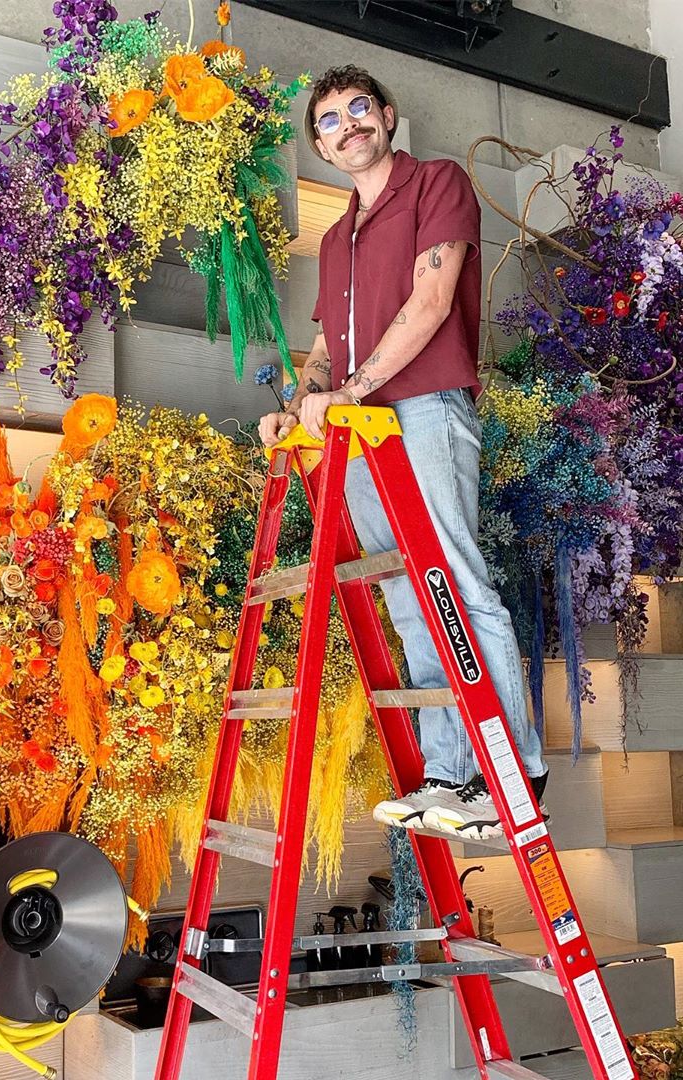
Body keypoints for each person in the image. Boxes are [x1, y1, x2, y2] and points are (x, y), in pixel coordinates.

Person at [259, 65, 548, 841]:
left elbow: (431, 302)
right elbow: (322, 346)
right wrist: (297, 409)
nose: (348, 125)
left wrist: (348, 392)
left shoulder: (436, 185)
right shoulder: (333, 239)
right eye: (329, 120)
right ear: (319, 144)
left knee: (456, 578)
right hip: (358, 429)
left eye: (359, 109)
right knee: (406, 594)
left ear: (387, 116)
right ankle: (449, 775)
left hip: (421, 409)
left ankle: (512, 776)